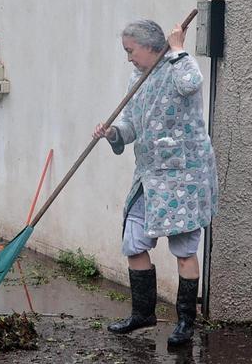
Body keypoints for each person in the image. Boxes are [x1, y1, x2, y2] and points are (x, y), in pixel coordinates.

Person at [93, 18, 217, 346]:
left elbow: (192, 82)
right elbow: (131, 124)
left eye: (130, 50)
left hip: (183, 177)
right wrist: (114, 133)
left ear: (150, 47)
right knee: (134, 241)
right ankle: (143, 314)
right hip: (149, 176)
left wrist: (177, 49)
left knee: (184, 250)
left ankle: (185, 323)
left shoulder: (179, 67)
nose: (128, 57)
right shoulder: (138, 77)